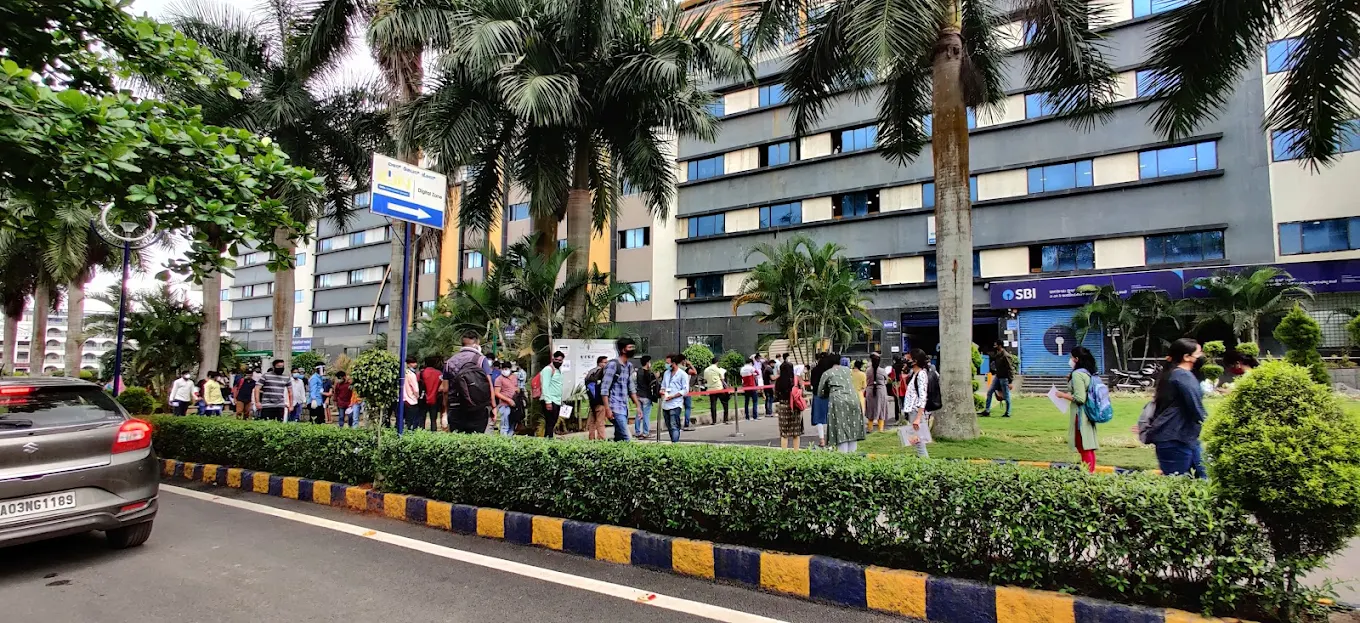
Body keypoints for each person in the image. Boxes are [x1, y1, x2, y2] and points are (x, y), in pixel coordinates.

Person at [1145, 338, 1209, 478]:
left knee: (1203, 478)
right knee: (1179, 481)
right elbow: (1195, 406)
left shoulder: (1175, 374)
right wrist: (1213, 426)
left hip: (1184, 437)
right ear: (1187, 357)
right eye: (1198, 353)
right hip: (1175, 438)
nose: (1202, 356)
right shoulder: (1182, 376)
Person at [1055, 346, 1100, 473]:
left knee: (1083, 446)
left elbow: (1080, 398)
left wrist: (1062, 395)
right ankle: (1090, 472)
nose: (1070, 360)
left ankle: (1087, 474)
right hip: (1088, 414)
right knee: (1088, 446)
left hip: (1080, 415)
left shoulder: (1077, 374)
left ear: (1076, 359)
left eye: (1071, 357)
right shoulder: (1087, 372)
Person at [443, 330, 495, 434]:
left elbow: (445, 390)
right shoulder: (481, 360)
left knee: (457, 440)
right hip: (478, 407)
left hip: (455, 407)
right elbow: (489, 384)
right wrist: (493, 406)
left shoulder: (449, 362)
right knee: (476, 439)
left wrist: (445, 410)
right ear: (477, 343)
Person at [817, 353, 866, 453]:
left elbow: (820, 392)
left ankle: (842, 455)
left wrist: (827, 393)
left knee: (840, 428)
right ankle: (853, 454)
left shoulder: (827, 373)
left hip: (838, 400)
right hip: (854, 399)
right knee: (852, 427)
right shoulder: (848, 370)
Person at [600, 338, 641, 442]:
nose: (633, 349)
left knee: (619, 439)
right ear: (623, 350)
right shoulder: (613, 365)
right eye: (630, 347)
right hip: (614, 407)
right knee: (627, 438)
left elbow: (631, 388)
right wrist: (607, 409)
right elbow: (604, 389)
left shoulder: (629, 366)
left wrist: (638, 406)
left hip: (624, 407)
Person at [902, 349, 934, 457]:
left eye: (909, 358)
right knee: (917, 442)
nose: (906, 360)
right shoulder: (914, 374)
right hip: (913, 411)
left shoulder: (921, 374)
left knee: (919, 442)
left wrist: (918, 418)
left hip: (916, 412)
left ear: (915, 361)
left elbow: (923, 397)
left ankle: (925, 463)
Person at [660, 353, 690, 443]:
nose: (666, 365)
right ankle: (673, 441)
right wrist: (662, 390)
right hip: (665, 403)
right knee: (669, 426)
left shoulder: (682, 374)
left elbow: (685, 390)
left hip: (675, 404)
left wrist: (673, 396)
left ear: (674, 363)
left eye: (668, 363)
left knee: (674, 425)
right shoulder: (666, 373)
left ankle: (675, 443)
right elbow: (663, 385)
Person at [774, 358, 803, 449]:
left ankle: (784, 453)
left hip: (783, 406)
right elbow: (801, 392)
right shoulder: (795, 380)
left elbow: (776, 395)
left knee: (784, 433)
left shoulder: (779, 381)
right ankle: (796, 452)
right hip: (794, 407)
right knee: (796, 432)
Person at [981, 342, 1014, 418]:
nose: (994, 346)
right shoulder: (997, 354)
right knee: (990, 391)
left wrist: (1010, 381)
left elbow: (1010, 368)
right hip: (998, 377)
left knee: (1006, 395)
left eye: (996, 345)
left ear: (1000, 345)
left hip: (1004, 378)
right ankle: (987, 410)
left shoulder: (1005, 355)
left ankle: (1008, 413)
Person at [809, 352, 835, 447]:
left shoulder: (815, 370)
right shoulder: (830, 370)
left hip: (817, 395)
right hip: (829, 395)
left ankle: (822, 440)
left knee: (819, 418)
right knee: (830, 418)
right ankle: (831, 439)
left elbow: (812, 383)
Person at [538, 351, 566, 438]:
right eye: (556, 359)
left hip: (556, 400)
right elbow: (545, 386)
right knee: (550, 422)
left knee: (553, 422)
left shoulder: (558, 370)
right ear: (553, 359)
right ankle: (548, 439)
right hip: (550, 400)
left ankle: (548, 438)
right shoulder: (548, 369)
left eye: (560, 360)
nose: (558, 362)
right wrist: (548, 401)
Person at [865, 354, 894, 432]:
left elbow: (866, 380)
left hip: (870, 390)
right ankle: (880, 429)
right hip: (881, 391)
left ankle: (870, 428)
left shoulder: (868, 371)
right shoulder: (882, 371)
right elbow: (887, 379)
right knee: (881, 409)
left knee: (870, 409)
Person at [584, 355, 609, 440]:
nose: (606, 364)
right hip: (600, 401)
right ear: (600, 363)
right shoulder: (601, 372)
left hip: (592, 401)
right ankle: (601, 439)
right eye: (605, 362)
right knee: (600, 421)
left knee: (592, 421)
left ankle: (591, 438)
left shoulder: (591, 372)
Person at [494, 361, 518, 436]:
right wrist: (508, 400)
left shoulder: (514, 377)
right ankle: (503, 439)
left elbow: (517, 387)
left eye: (506, 369)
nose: (505, 370)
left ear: (510, 369)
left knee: (512, 425)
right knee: (505, 425)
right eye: (503, 369)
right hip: (505, 405)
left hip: (514, 405)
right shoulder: (499, 379)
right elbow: (496, 392)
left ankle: (510, 438)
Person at [420, 356, 444, 431]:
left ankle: (421, 432)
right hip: (435, 398)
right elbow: (442, 387)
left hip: (423, 398)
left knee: (422, 418)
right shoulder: (439, 374)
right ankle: (433, 432)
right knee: (433, 419)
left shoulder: (421, 373)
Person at [703, 358, 730, 424]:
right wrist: (727, 388)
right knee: (725, 403)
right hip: (719, 388)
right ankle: (725, 419)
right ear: (717, 362)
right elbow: (722, 380)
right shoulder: (718, 369)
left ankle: (714, 421)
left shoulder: (706, 370)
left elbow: (705, 380)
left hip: (711, 389)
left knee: (713, 404)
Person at [634, 355, 655, 439]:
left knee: (639, 414)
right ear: (647, 363)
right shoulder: (648, 373)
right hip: (646, 396)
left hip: (638, 395)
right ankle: (646, 432)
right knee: (646, 415)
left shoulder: (637, 372)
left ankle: (637, 432)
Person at [403, 356, 422, 430]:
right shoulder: (411, 375)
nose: (415, 364)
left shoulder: (402, 373)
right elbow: (416, 389)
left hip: (403, 400)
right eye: (413, 362)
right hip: (411, 400)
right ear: (408, 364)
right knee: (413, 421)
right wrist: (417, 396)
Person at [739, 357, 760, 421]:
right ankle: (755, 416)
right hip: (752, 386)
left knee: (746, 402)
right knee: (755, 401)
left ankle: (747, 417)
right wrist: (753, 374)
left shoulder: (742, 369)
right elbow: (757, 373)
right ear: (750, 363)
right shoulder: (751, 368)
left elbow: (741, 376)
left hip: (746, 387)